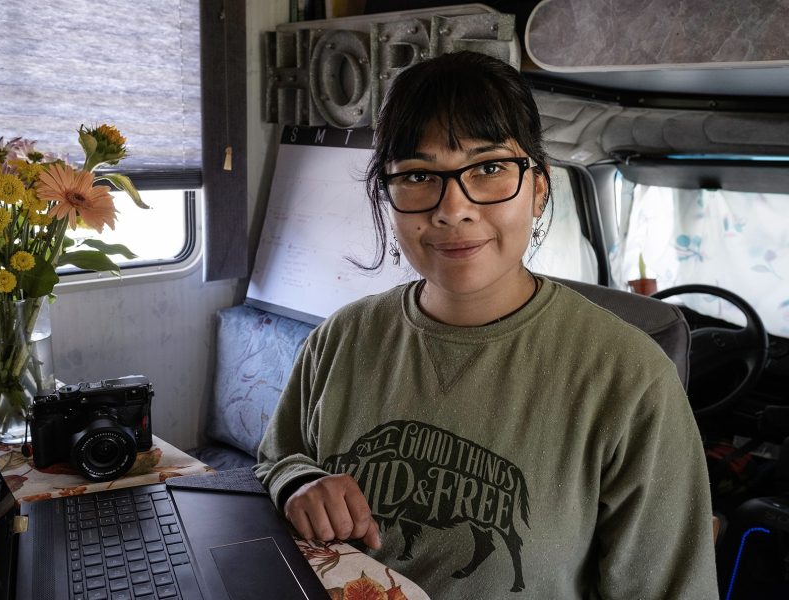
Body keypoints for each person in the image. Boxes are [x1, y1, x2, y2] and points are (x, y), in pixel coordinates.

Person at [256, 50, 718, 599]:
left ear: (540, 186)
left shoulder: (630, 378)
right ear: (388, 192)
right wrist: (301, 484)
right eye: (420, 174)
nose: (453, 209)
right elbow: (277, 459)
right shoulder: (342, 337)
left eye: (490, 168)